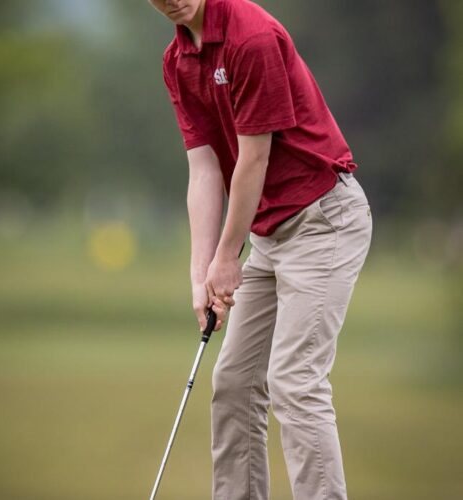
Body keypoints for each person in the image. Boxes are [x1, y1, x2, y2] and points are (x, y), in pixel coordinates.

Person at [148, 0, 372, 498]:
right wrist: (200, 272)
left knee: (295, 381)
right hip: (267, 232)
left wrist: (227, 259)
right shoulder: (177, 62)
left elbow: (254, 158)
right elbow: (205, 171)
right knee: (233, 383)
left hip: (323, 221)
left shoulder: (250, 35)